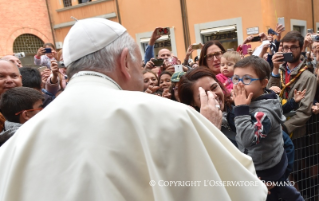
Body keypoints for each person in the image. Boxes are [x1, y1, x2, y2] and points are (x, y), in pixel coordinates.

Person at [0, 18, 268, 201]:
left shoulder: (15, 145)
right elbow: (243, 190)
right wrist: (206, 132)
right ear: (125, 61)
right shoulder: (169, 116)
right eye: (140, 64)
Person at [232, 56, 303, 201]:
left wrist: (240, 109)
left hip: (265, 171)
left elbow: (247, 139)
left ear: (263, 83)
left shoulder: (263, 113)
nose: (239, 85)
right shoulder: (260, 99)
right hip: (270, 162)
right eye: (235, 78)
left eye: (246, 79)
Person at [268, 31, 317, 139]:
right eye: (285, 47)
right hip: (275, 127)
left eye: (293, 47)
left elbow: (304, 111)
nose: (288, 51)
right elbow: (268, 94)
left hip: (295, 133)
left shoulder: (308, 76)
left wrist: (284, 127)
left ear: (301, 48)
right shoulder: (279, 70)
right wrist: (275, 68)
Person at [0, 59, 23, 131]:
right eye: (1, 76)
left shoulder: (33, 103)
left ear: (21, 79)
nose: (9, 80)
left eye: (14, 76)